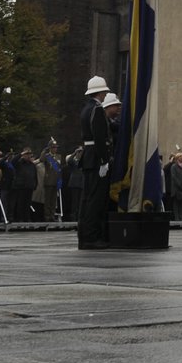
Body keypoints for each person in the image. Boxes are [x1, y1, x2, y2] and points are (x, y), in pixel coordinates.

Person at [76, 75, 114, 249]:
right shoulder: (97, 109)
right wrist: (104, 160)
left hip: (89, 156)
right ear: (100, 92)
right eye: (104, 92)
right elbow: (99, 137)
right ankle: (91, 237)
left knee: (87, 199)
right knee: (95, 200)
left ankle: (84, 236)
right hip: (96, 156)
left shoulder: (86, 108)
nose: (106, 95)